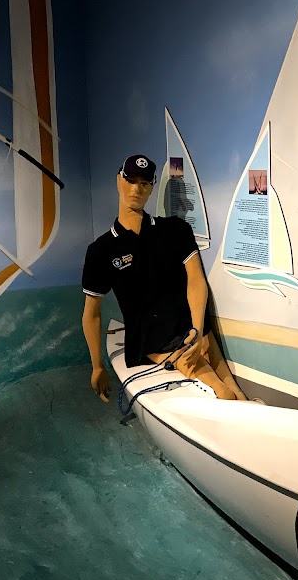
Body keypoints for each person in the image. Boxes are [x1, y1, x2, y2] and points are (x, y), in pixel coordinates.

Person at [81, 154, 248, 403]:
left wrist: (197, 328)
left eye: (144, 183)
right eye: (130, 180)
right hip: (152, 340)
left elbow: (196, 279)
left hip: (192, 327)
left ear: (151, 188)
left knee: (236, 392)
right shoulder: (101, 250)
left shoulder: (176, 230)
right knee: (222, 392)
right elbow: (92, 314)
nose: (136, 189)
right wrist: (97, 366)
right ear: (118, 180)